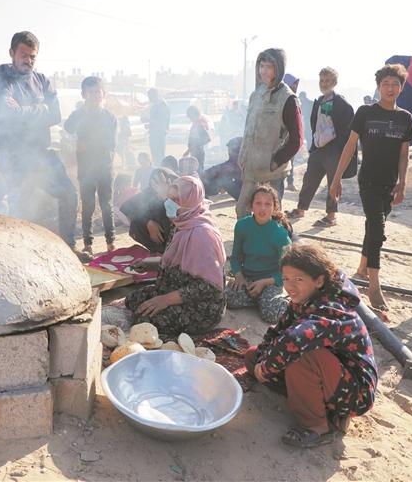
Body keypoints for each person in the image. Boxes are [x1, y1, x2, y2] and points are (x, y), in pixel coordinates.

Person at [245, 244, 377, 448]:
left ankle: (317, 426)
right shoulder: (303, 300)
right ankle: (319, 404)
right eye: (286, 279)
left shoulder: (333, 308)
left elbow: (295, 340)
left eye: (298, 279)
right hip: (326, 374)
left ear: (319, 281)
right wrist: (262, 359)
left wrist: (267, 367)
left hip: (354, 391)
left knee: (302, 357)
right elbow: (279, 331)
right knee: (254, 356)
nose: (290, 286)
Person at [0, 31, 80, 255]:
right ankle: (19, 254)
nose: (28, 60)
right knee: (20, 207)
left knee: (69, 195)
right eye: (23, 55)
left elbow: (55, 114)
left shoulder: (42, 81)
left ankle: (69, 248)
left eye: (32, 56)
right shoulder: (0, 77)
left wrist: (23, 110)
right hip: (14, 156)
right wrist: (40, 109)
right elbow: (5, 113)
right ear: (12, 53)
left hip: (41, 153)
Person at [330, 64, 412, 311]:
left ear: (401, 88)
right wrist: (336, 179)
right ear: (378, 87)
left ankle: (362, 268)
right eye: (386, 84)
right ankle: (374, 286)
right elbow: (350, 146)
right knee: (377, 228)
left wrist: (402, 183)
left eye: (395, 84)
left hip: (390, 183)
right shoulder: (365, 112)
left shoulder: (405, 118)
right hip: (368, 180)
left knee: (374, 226)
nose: (390, 88)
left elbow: (404, 154)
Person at [126, 176, 226, 335]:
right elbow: (179, 262)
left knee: (143, 319)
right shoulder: (181, 223)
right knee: (132, 300)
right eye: (169, 198)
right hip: (174, 289)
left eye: (176, 199)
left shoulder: (202, 234)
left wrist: (165, 300)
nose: (169, 203)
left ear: (190, 201)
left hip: (200, 305)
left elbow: (210, 287)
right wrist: (148, 264)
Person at [236, 48, 303, 217]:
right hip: (251, 169)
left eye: (269, 67)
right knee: (242, 211)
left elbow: (297, 139)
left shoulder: (288, 99)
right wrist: (243, 156)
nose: (264, 71)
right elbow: (248, 129)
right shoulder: (256, 94)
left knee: (270, 217)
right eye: (261, 66)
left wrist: (276, 161)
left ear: (278, 69)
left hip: (272, 173)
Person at [288, 67, 355, 227]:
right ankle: (301, 209)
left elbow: (347, 129)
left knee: (333, 183)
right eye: (322, 81)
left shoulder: (341, 103)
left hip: (334, 150)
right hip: (319, 149)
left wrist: (340, 149)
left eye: (328, 81)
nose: (324, 84)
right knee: (309, 179)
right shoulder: (319, 101)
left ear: (334, 82)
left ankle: (331, 216)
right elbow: (314, 124)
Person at [64, 76, 117, 256]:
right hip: (86, 168)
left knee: (106, 205)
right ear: (84, 94)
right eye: (90, 92)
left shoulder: (109, 118)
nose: (95, 96)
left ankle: (111, 242)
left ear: (104, 94)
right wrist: (80, 113)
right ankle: (88, 244)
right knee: (87, 206)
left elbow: (111, 144)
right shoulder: (79, 114)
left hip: (104, 168)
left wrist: (87, 145)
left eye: (98, 92)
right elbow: (68, 127)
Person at [227, 185, 292, 323]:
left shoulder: (280, 234)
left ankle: (272, 300)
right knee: (227, 298)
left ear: (275, 207)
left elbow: (290, 269)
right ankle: (261, 299)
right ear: (251, 206)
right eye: (258, 203)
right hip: (248, 278)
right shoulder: (242, 226)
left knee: (270, 314)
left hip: (271, 281)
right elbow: (236, 257)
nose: (262, 208)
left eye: (267, 204)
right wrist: (239, 276)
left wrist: (265, 282)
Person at [120, 167, 177, 253]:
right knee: (137, 221)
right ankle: (158, 249)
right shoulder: (150, 192)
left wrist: (166, 197)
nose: (159, 185)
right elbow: (126, 207)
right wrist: (148, 222)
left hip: (181, 241)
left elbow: (180, 219)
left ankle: (169, 250)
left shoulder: (182, 192)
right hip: (163, 241)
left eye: (164, 182)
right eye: (155, 182)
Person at [142, 88, 170, 166]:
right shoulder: (155, 106)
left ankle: (160, 170)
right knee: (155, 155)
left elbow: (162, 122)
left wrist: (148, 120)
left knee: (159, 156)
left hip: (159, 135)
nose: (149, 99)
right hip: (154, 134)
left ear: (155, 95)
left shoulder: (162, 105)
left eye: (150, 97)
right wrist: (149, 125)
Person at [283, 74, 301, 192]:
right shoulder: (282, 98)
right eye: (293, 84)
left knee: (291, 160)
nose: (295, 86)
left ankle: (290, 183)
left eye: (296, 84)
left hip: (291, 136)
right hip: (282, 137)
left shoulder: (295, 98)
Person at [184, 105, 211, 171]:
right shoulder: (194, 125)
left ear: (195, 115)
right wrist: (188, 150)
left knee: (198, 171)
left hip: (199, 153)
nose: (190, 119)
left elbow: (207, 139)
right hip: (193, 152)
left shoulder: (200, 125)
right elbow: (192, 140)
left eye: (191, 117)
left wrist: (197, 146)